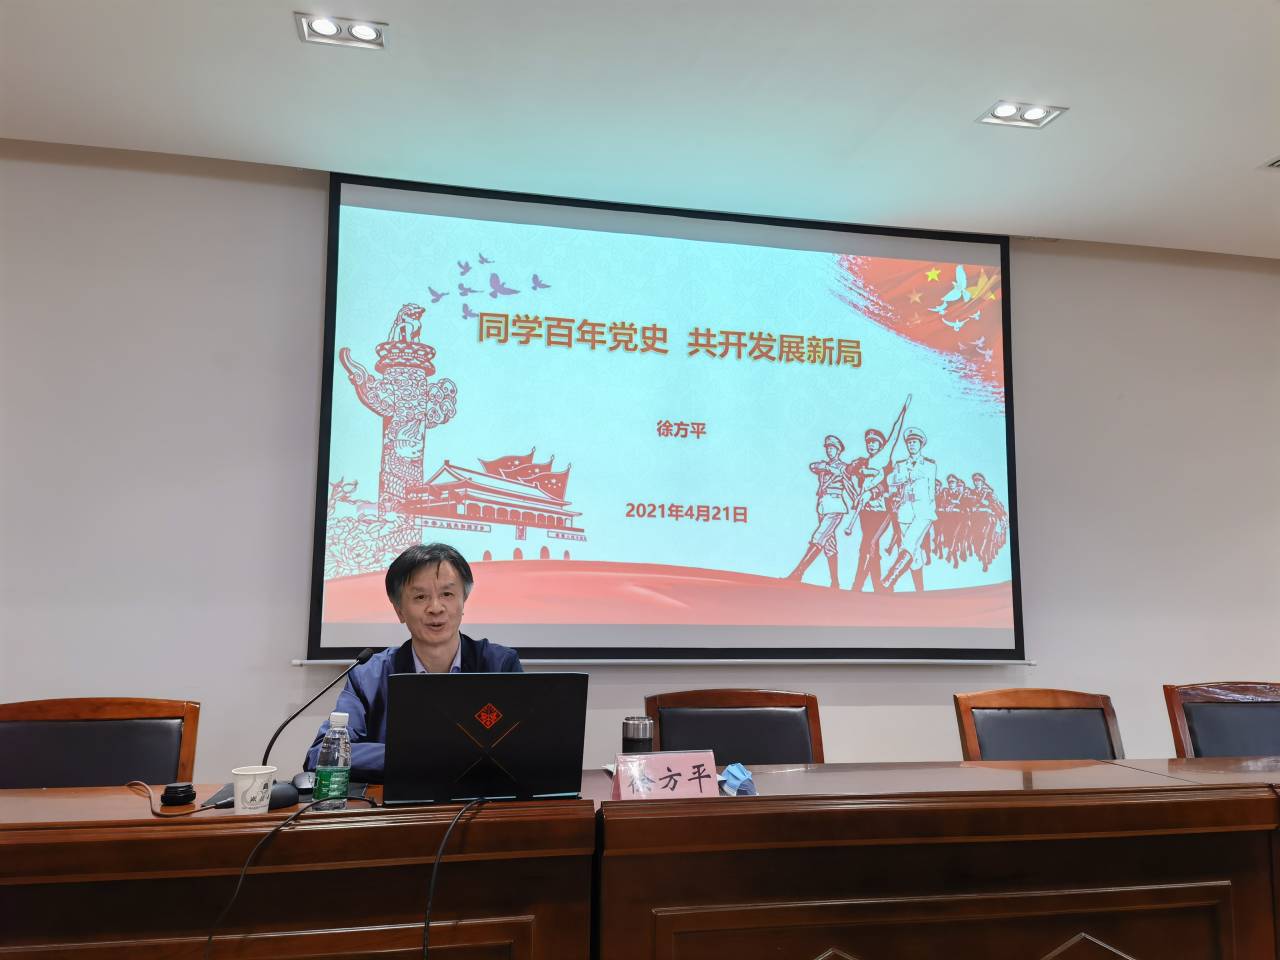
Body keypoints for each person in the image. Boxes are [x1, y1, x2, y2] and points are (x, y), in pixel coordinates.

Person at [305, 542, 522, 781]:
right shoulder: (368, 676)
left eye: (447, 594)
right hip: (397, 804)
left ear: (463, 601)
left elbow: (526, 749)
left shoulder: (499, 666)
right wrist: (425, 756)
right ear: (399, 610)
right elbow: (321, 754)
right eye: (420, 597)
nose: (436, 608)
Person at [787, 435, 853, 588]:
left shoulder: (844, 466)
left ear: (838, 450)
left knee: (818, 538)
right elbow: (813, 466)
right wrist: (828, 468)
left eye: (832, 448)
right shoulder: (824, 466)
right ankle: (835, 582)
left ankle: (798, 573)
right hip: (823, 506)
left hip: (835, 506)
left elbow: (848, 480)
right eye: (828, 448)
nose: (829, 450)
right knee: (829, 545)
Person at [882, 427, 937, 591]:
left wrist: (929, 512)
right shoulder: (900, 465)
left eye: (915, 442)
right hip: (905, 511)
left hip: (923, 512)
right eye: (909, 442)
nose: (912, 445)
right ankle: (920, 591)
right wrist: (903, 477)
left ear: (921, 444)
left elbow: (931, 491)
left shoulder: (929, 465)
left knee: (908, 544)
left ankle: (889, 580)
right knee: (914, 554)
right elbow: (890, 481)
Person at [848, 428, 892, 592]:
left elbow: (887, 485)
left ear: (881, 446)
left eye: (874, 442)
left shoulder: (887, 464)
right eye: (868, 442)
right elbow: (850, 471)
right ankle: (877, 586)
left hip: (881, 511)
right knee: (871, 545)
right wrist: (856, 468)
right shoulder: (863, 462)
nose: (871, 445)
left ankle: (858, 585)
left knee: (868, 544)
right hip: (865, 511)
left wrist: (873, 493)